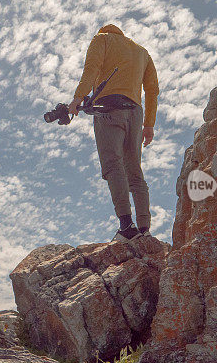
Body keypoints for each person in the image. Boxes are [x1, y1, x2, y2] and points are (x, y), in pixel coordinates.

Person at [68, 24, 159, 242]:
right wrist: (149, 125)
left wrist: (78, 97)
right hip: (135, 113)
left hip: (109, 109)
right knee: (134, 171)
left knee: (113, 164)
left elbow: (92, 67)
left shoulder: (102, 39)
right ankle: (144, 229)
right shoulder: (142, 52)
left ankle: (126, 226)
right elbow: (152, 89)